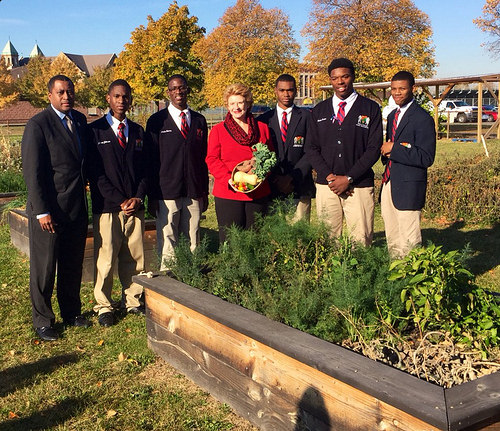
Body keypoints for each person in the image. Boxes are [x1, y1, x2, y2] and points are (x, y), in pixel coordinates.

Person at [21, 75, 91, 341]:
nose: (66, 97)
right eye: (61, 92)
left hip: (75, 207)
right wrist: (41, 211)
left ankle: (71, 312)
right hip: (49, 211)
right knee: (45, 267)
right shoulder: (38, 125)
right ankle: (43, 319)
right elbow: (32, 172)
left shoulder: (80, 121)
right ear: (49, 95)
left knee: (72, 264)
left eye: (70, 92)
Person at [88, 79, 149, 327]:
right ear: (108, 98)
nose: (121, 101)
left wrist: (138, 197)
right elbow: (96, 174)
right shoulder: (96, 132)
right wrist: (120, 200)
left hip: (134, 206)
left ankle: (133, 300)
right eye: (117, 96)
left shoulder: (137, 131)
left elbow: (145, 169)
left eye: (125, 97)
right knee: (106, 257)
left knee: (134, 256)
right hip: (108, 207)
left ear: (130, 99)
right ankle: (104, 305)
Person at [306, 58, 382, 246]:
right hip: (327, 186)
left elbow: (373, 149)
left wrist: (348, 178)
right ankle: (332, 275)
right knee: (328, 241)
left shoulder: (370, 108)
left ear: (353, 77)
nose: (340, 82)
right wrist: (330, 177)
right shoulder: (318, 111)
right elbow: (311, 148)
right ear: (330, 80)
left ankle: (360, 275)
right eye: (335, 78)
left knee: (361, 239)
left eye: (345, 76)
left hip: (359, 186)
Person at [146, 75, 209, 271]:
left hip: (193, 190)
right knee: (168, 240)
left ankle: (193, 280)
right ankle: (168, 283)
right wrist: (153, 195)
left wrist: (204, 191)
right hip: (167, 193)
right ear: (168, 93)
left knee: (193, 238)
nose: (178, 92)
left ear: (187, 89)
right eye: (173, 89)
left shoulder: (199, 120)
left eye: (181, 88)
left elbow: (203, 159)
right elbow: (151, 161)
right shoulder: (157, 121)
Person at [206, 83, 273, 243]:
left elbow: (269, 157)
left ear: (248, 103)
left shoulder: (262, 128)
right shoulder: (218, 130)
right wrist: (229, 178)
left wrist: (261, 172)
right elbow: (212, 159)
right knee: (231, 241)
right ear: (227, 106)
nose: (236, 107)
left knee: (256, 240)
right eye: (232, 104)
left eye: (240, 103)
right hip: (229, 192)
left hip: (257, 192)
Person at [380, 71, 436, 258]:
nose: (397, 93)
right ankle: (396, 280)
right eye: (394, 89)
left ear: (413, 89)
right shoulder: (395, 114)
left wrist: (394, 148)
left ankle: (412, 280)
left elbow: (426, 157)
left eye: (402, 89)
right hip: (389, 182)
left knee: (409, 240)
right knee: (393, 238)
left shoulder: (422, 118)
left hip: (409, 187)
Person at [257, 74, 314, 221]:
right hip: (272, 187)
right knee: (274, 235)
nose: (286, 94)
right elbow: (260, 153)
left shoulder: (307, 117)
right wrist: (277, 178)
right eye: (282, 90)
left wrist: (290, 178)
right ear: (276, 91)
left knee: (300, 237)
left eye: (290, 90)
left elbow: (311, 150)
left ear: (296, 91)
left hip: (300, 185)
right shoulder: (263, 120)